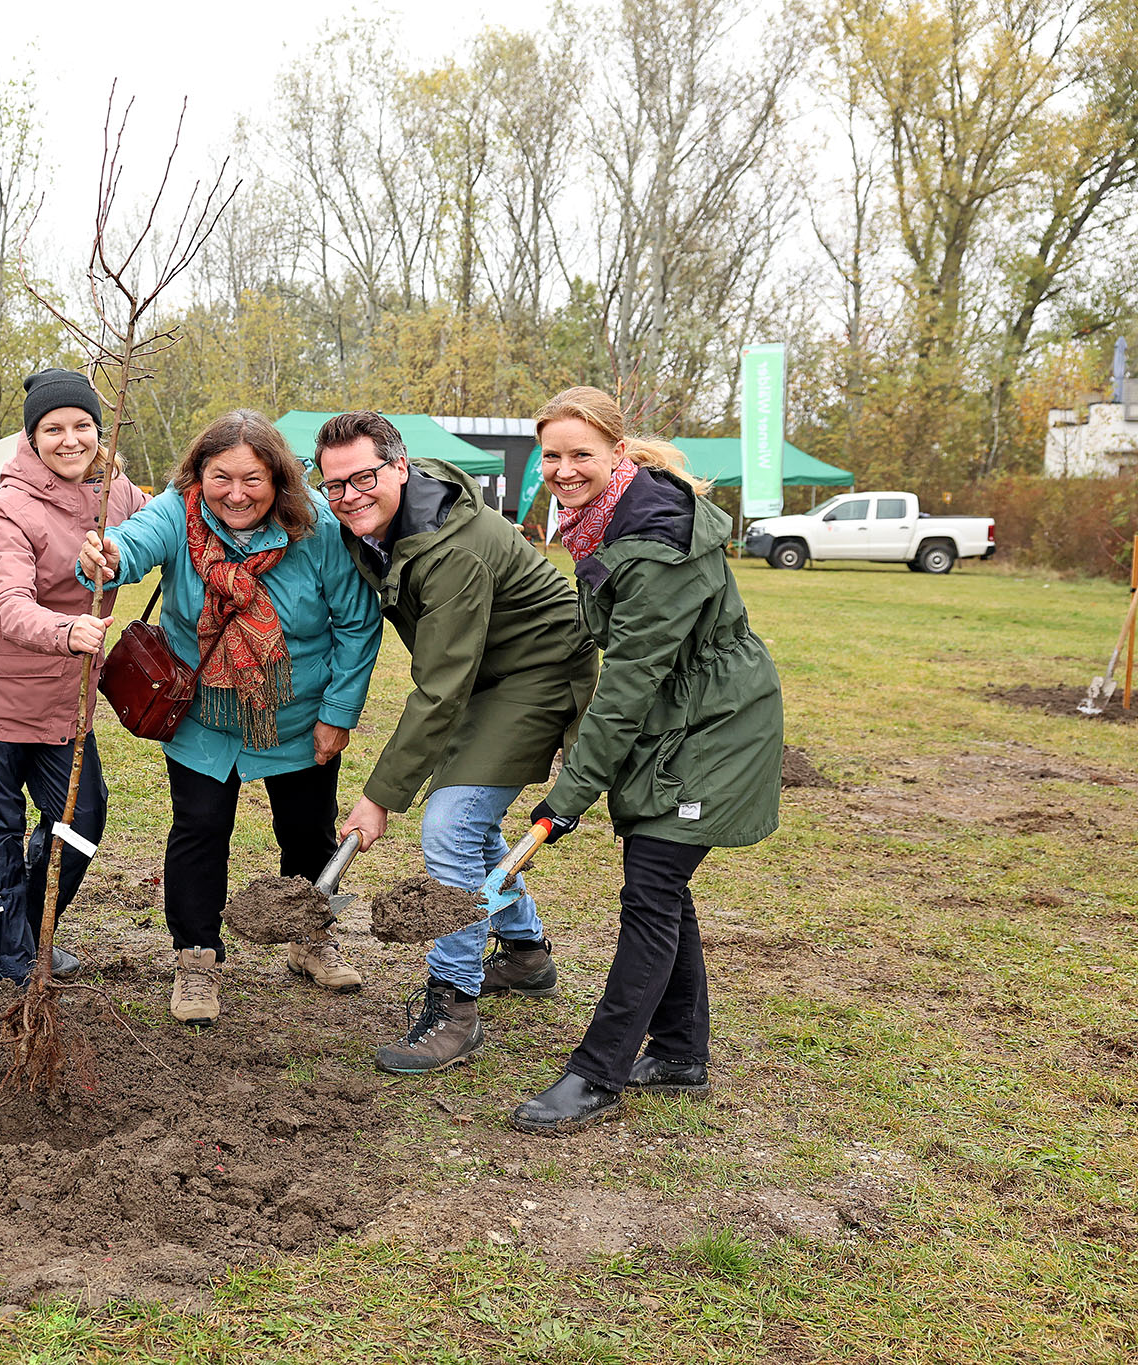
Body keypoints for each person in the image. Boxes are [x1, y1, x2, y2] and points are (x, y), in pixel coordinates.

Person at [509, 386, 784, 1136]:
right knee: (662, 881)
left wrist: (563, 801)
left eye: (581, 455)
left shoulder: (655, 540)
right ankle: (680, 1053)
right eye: (553, 455)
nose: (564, 469)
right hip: (680, 717)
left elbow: (628, 686)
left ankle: (597, 1072)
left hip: (715, 725)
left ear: (617, 454)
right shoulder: (601, 519)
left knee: (653, 888)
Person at [314, 411, 600, 1075]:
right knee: (470, 823)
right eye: (335, 485)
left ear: (400, 466)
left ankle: (455, 1006)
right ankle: (526, 953)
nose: (349, 495)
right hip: (481, 671)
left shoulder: (454, 549)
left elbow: (440, 689)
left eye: (363, 478)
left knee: (448, 822)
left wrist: (380, 797)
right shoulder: (379, 519)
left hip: (536, 672)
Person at [79, 409, 381, 1026]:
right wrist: (107, 555)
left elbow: (356, 621)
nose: (236, 494)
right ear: (197, 475)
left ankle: (308, 937)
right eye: (221, 478)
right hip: (204, 715)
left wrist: (338, 713)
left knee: (307, 830)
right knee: (199, 830)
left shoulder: (317, 528)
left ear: (279, 481)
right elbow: (131, 545)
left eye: (253, 480)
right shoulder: (177, 512)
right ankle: (196, 957)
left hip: (297, 714)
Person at [0, 369, 148, 985]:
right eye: (52, 429)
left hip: (64, 704)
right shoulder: (10, 505)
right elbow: (6, 601)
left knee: (80, 821)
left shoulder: (116, 494)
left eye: (81, 425)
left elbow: (166, 524)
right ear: (32, 438)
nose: (70, 439)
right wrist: (66, 632)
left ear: (97, 430)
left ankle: (29, 930)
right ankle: (8, 970)